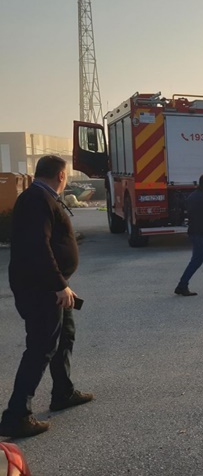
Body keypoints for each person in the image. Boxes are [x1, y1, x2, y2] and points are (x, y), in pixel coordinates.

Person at [0, 155, 94, 439]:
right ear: (61, 175)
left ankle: (63, 392)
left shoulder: (40, 197)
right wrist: (57, 285)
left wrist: (62, 283)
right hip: (40, 288)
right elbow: (37, 247)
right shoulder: (37, 200)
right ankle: (17, 415)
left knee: (65, 336)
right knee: (41, 347)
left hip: (51, 284)